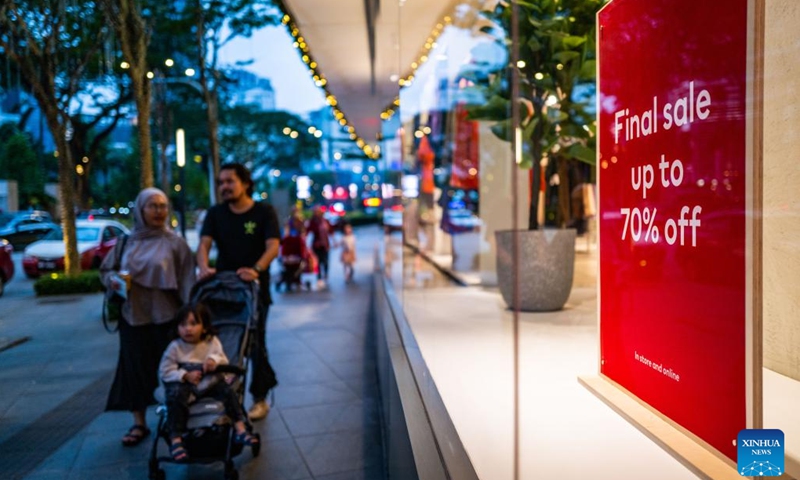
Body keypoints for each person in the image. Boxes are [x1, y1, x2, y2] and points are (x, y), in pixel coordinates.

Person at [101, 188, 196, 447]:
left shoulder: (175, 243)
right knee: (134, 370)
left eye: (163, 206)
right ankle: (139, 423)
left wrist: (191, 316)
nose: (159, 211)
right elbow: (106, 270)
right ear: (140, 210)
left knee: (170, 370)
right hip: (133, 317)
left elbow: (188, 278)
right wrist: (113, 280)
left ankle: (176, 420)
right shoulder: (125, 242)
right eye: (152, 206)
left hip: (167, 318)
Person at [196, 162, 280, 421]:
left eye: (230, 181)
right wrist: (203, 267)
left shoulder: (264, 212)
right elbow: (203, 245)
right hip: (222, 290)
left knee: (255, 345)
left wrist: (256, 269)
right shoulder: (215, 214)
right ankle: (227, 401)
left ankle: (259, 397)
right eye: (221, 182)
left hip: (254, 290)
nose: (224, 187)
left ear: (245, 183)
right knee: (221, 347)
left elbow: (273, 246)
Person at [159, 303, 258, 462]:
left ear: (204, 327)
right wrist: (184, 375)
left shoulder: (211, 342)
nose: (188, 329)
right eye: (183, 325)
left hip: (209, 383)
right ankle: (176, 438)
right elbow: (165, 370)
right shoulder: (175, 347)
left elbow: (222, 358)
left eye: (193, 324)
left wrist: (213, 361)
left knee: (228, 391)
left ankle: (240, 428)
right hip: (185, 387)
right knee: (175, 395)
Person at [306, 206, 332, 287]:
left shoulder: (325, 221)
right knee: (318, 262)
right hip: (316, 245)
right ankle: (319, 278)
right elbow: (308, 232)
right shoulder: (312, 222)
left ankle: (326, 275)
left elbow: (331, 231)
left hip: (325, 245)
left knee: (326, 261)